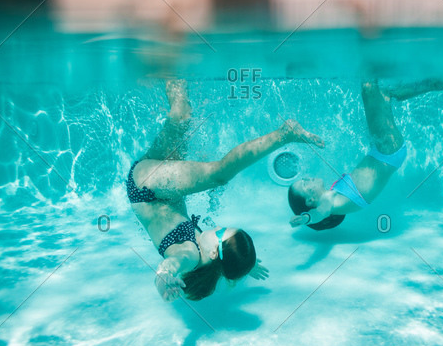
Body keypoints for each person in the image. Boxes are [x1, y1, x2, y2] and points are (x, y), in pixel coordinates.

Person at [128, 80, 324, 301]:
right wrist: (245, 264)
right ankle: (173, 72)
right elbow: (226, 263)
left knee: (218, 175)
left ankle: (284, 134)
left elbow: (172, 263)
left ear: (214, 253)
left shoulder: (190, 255)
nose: (219, 227)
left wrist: (163, 279)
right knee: (182, 115)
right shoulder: (210, 254)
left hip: (146, 188)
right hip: (163, 186)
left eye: (221, 232)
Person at [288, 79, 443, 230]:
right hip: (387, 151)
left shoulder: (334, 195)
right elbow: (319, 214)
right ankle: (372, 54)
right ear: (310, 200)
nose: (306, 178)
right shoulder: (329, 203)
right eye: (304, 183)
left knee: (382, 94)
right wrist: (306, 219)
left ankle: (433, 84)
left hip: (382, 151)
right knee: (369, 88)